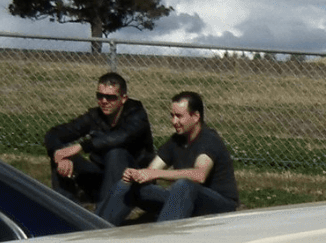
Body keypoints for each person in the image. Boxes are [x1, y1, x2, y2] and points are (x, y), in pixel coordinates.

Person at [99, 91, 240, 225]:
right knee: (129, 185)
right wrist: (136, 175)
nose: (174, 121)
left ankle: (163, 241)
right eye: (172, 115)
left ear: (196, 116)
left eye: (179, 116)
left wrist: (155, 174)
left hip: (219, 205)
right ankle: (94, 232)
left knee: (183, 185)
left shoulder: (208, 140)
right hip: (184, 197)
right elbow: (151, 170)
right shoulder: (176, 140)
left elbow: (199, 175)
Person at [43, 73, 155, 212]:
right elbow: (54, 134)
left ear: (123, 98)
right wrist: (60, 155)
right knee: (60, 154)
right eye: (100, 96)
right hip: (102, 176)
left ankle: (102, 215)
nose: (104, 101)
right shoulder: (95, 116)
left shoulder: (137, 115)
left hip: (134, 179)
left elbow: (122, 136)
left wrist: (82, 146)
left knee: (116, 152)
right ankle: (67, 210)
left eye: (110, 97)